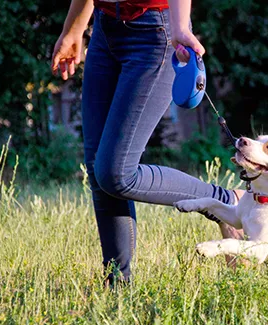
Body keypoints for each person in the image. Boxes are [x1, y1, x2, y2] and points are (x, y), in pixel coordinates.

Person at [51, 0, 243, 287]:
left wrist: (179, 26)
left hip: (155, 32)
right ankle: (117, 286)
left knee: (116, 174)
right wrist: (74, 28)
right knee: (98, 169)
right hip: (105, 30)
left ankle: (224, 200)